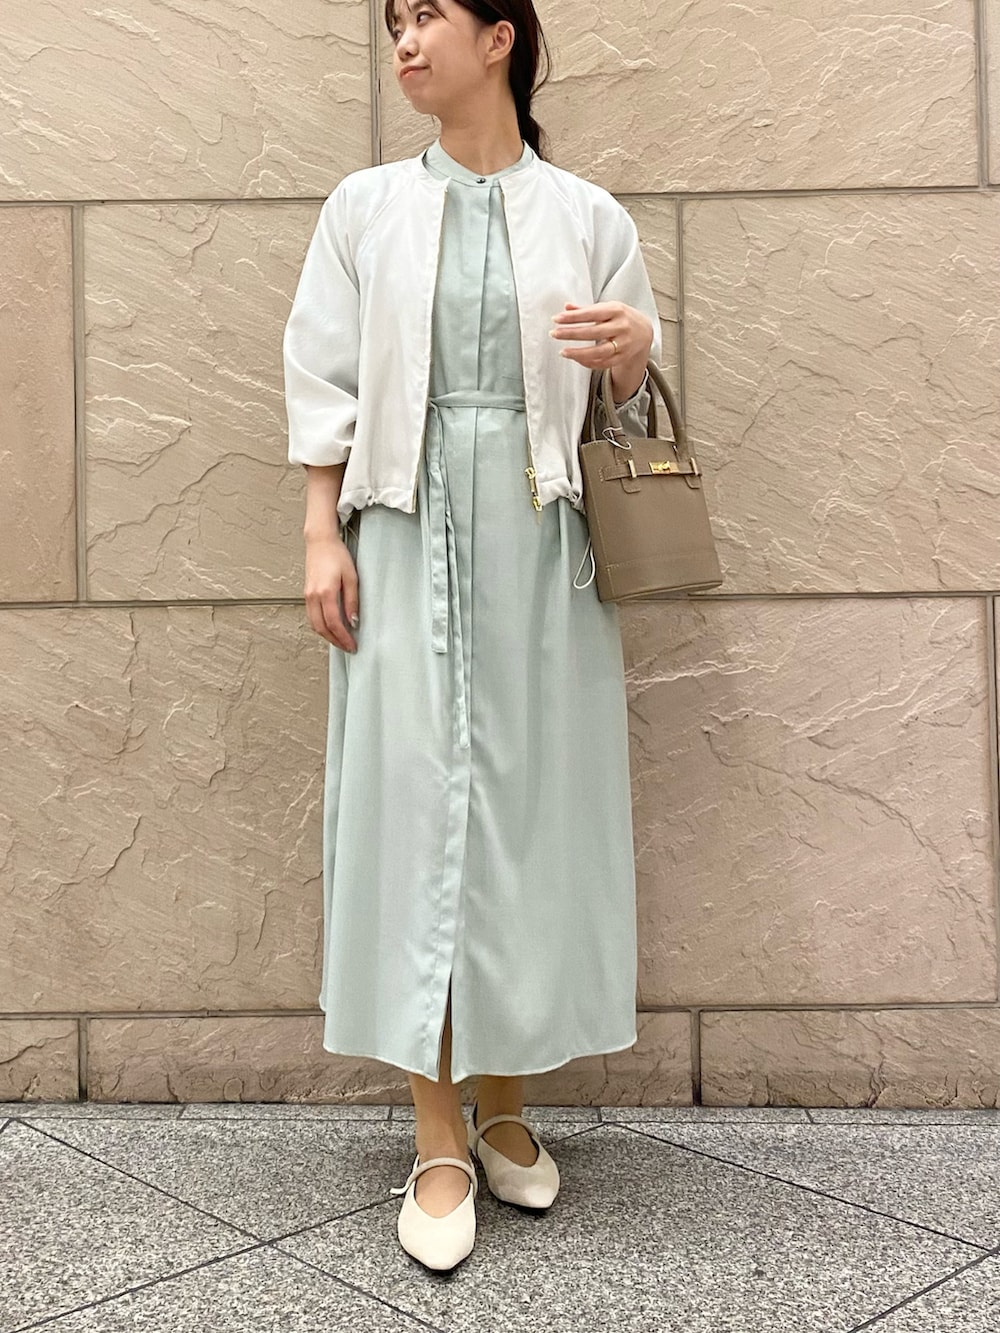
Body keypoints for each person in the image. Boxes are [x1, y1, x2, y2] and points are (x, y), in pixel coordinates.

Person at [282, 0, 662, 1272]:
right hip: (400, 529)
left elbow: (621, 398)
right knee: (412, 810)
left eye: (424, 15)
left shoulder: (588, 215)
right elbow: (323, 377)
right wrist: (321, 533)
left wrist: (634, 350)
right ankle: (436, 1129)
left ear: (498, 38)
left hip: (543, 541)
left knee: (525, 811)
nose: (402, 42)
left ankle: (505, 1099)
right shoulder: (365, 208)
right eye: (393, 21)